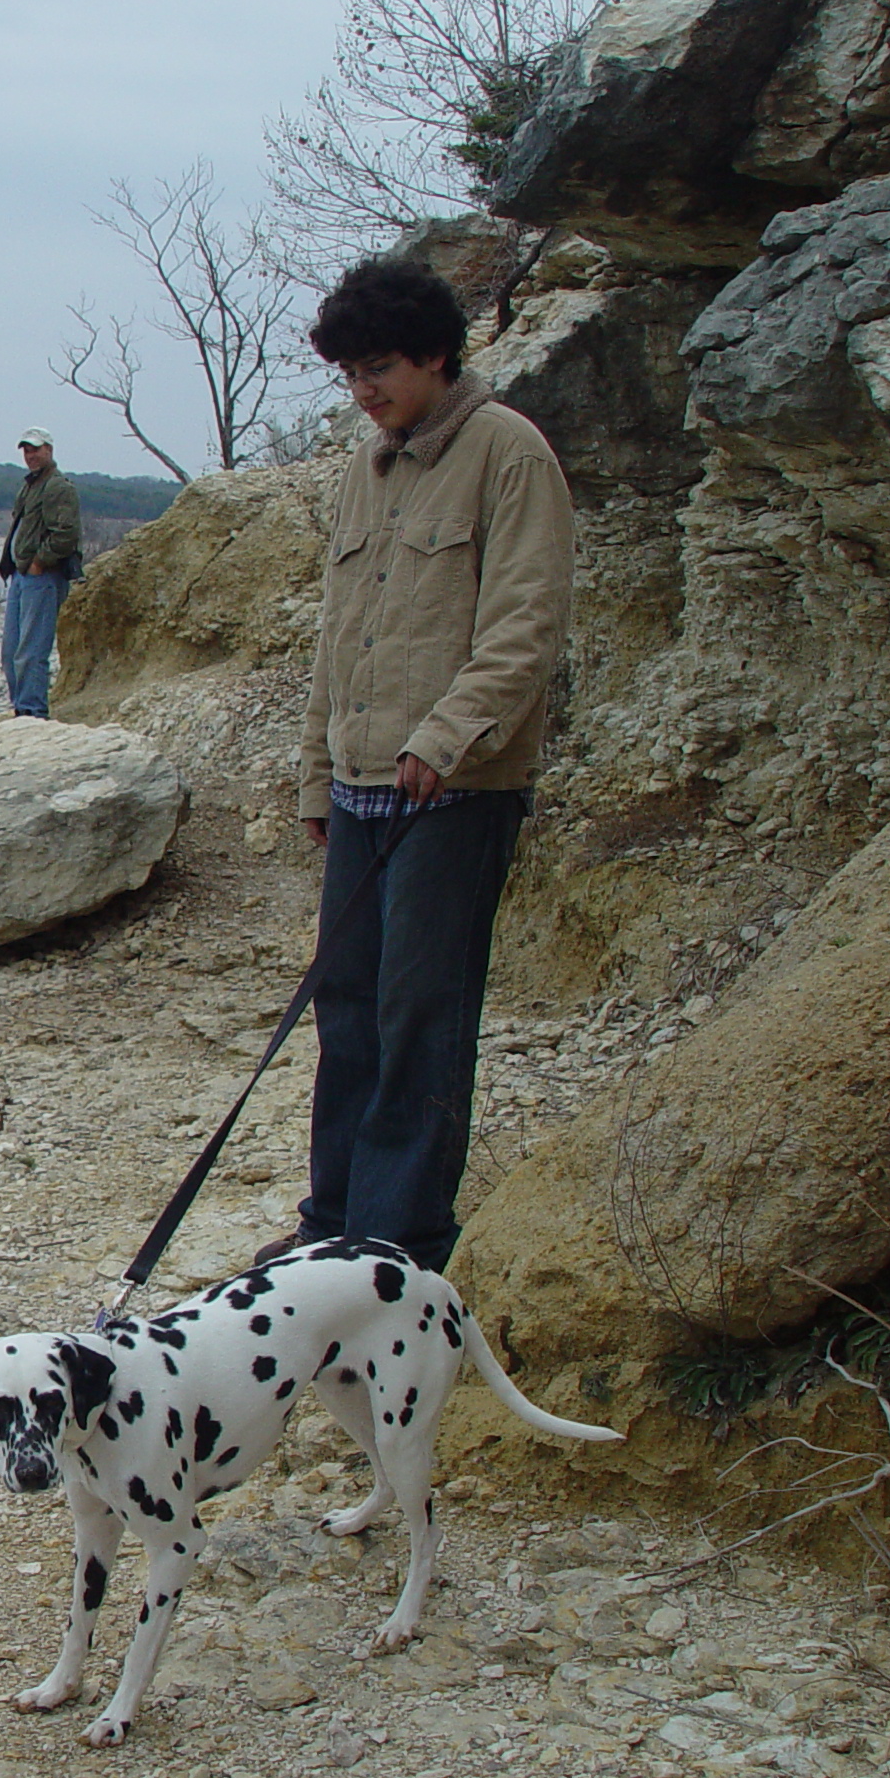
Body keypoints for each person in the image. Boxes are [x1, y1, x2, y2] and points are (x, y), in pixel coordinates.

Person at [257, 257, 573, 1276]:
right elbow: (338, 637)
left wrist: (441, 740)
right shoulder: (366, 467)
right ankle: (328, 1234)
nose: (364, 390)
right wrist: (317, 774)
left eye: (380, 367)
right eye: (349, 372)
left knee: (419, 1016)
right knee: (345, 1011)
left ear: (437, 353)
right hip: (355, 790)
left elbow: (525, 629)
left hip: (454, 793)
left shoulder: (508, 455)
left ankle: (394, 1250)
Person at [0, 427, 82, 717]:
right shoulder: (30, 486)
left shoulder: (59, 487)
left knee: (32, 651)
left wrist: (40, 562)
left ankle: (32, 710)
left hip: (42, 578)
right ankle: (21, 706)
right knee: (11, 653)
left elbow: (66, 533)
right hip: (21, 576)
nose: (30, 455)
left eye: (35, 449)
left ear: (49, 449)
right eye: (26, 450)